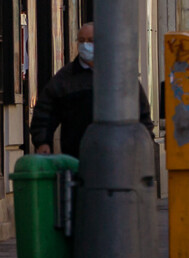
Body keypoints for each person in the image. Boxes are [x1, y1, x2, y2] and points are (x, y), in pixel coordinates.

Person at [28, 23, 154, 158]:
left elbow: (141, 112)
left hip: (118, 159)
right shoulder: (66, 78)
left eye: (90, 40)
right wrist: (43, 142)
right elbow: (45, 111)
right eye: (81, 41)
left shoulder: (120, 74)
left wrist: (145, 145)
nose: (85, 45)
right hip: (78, 159)